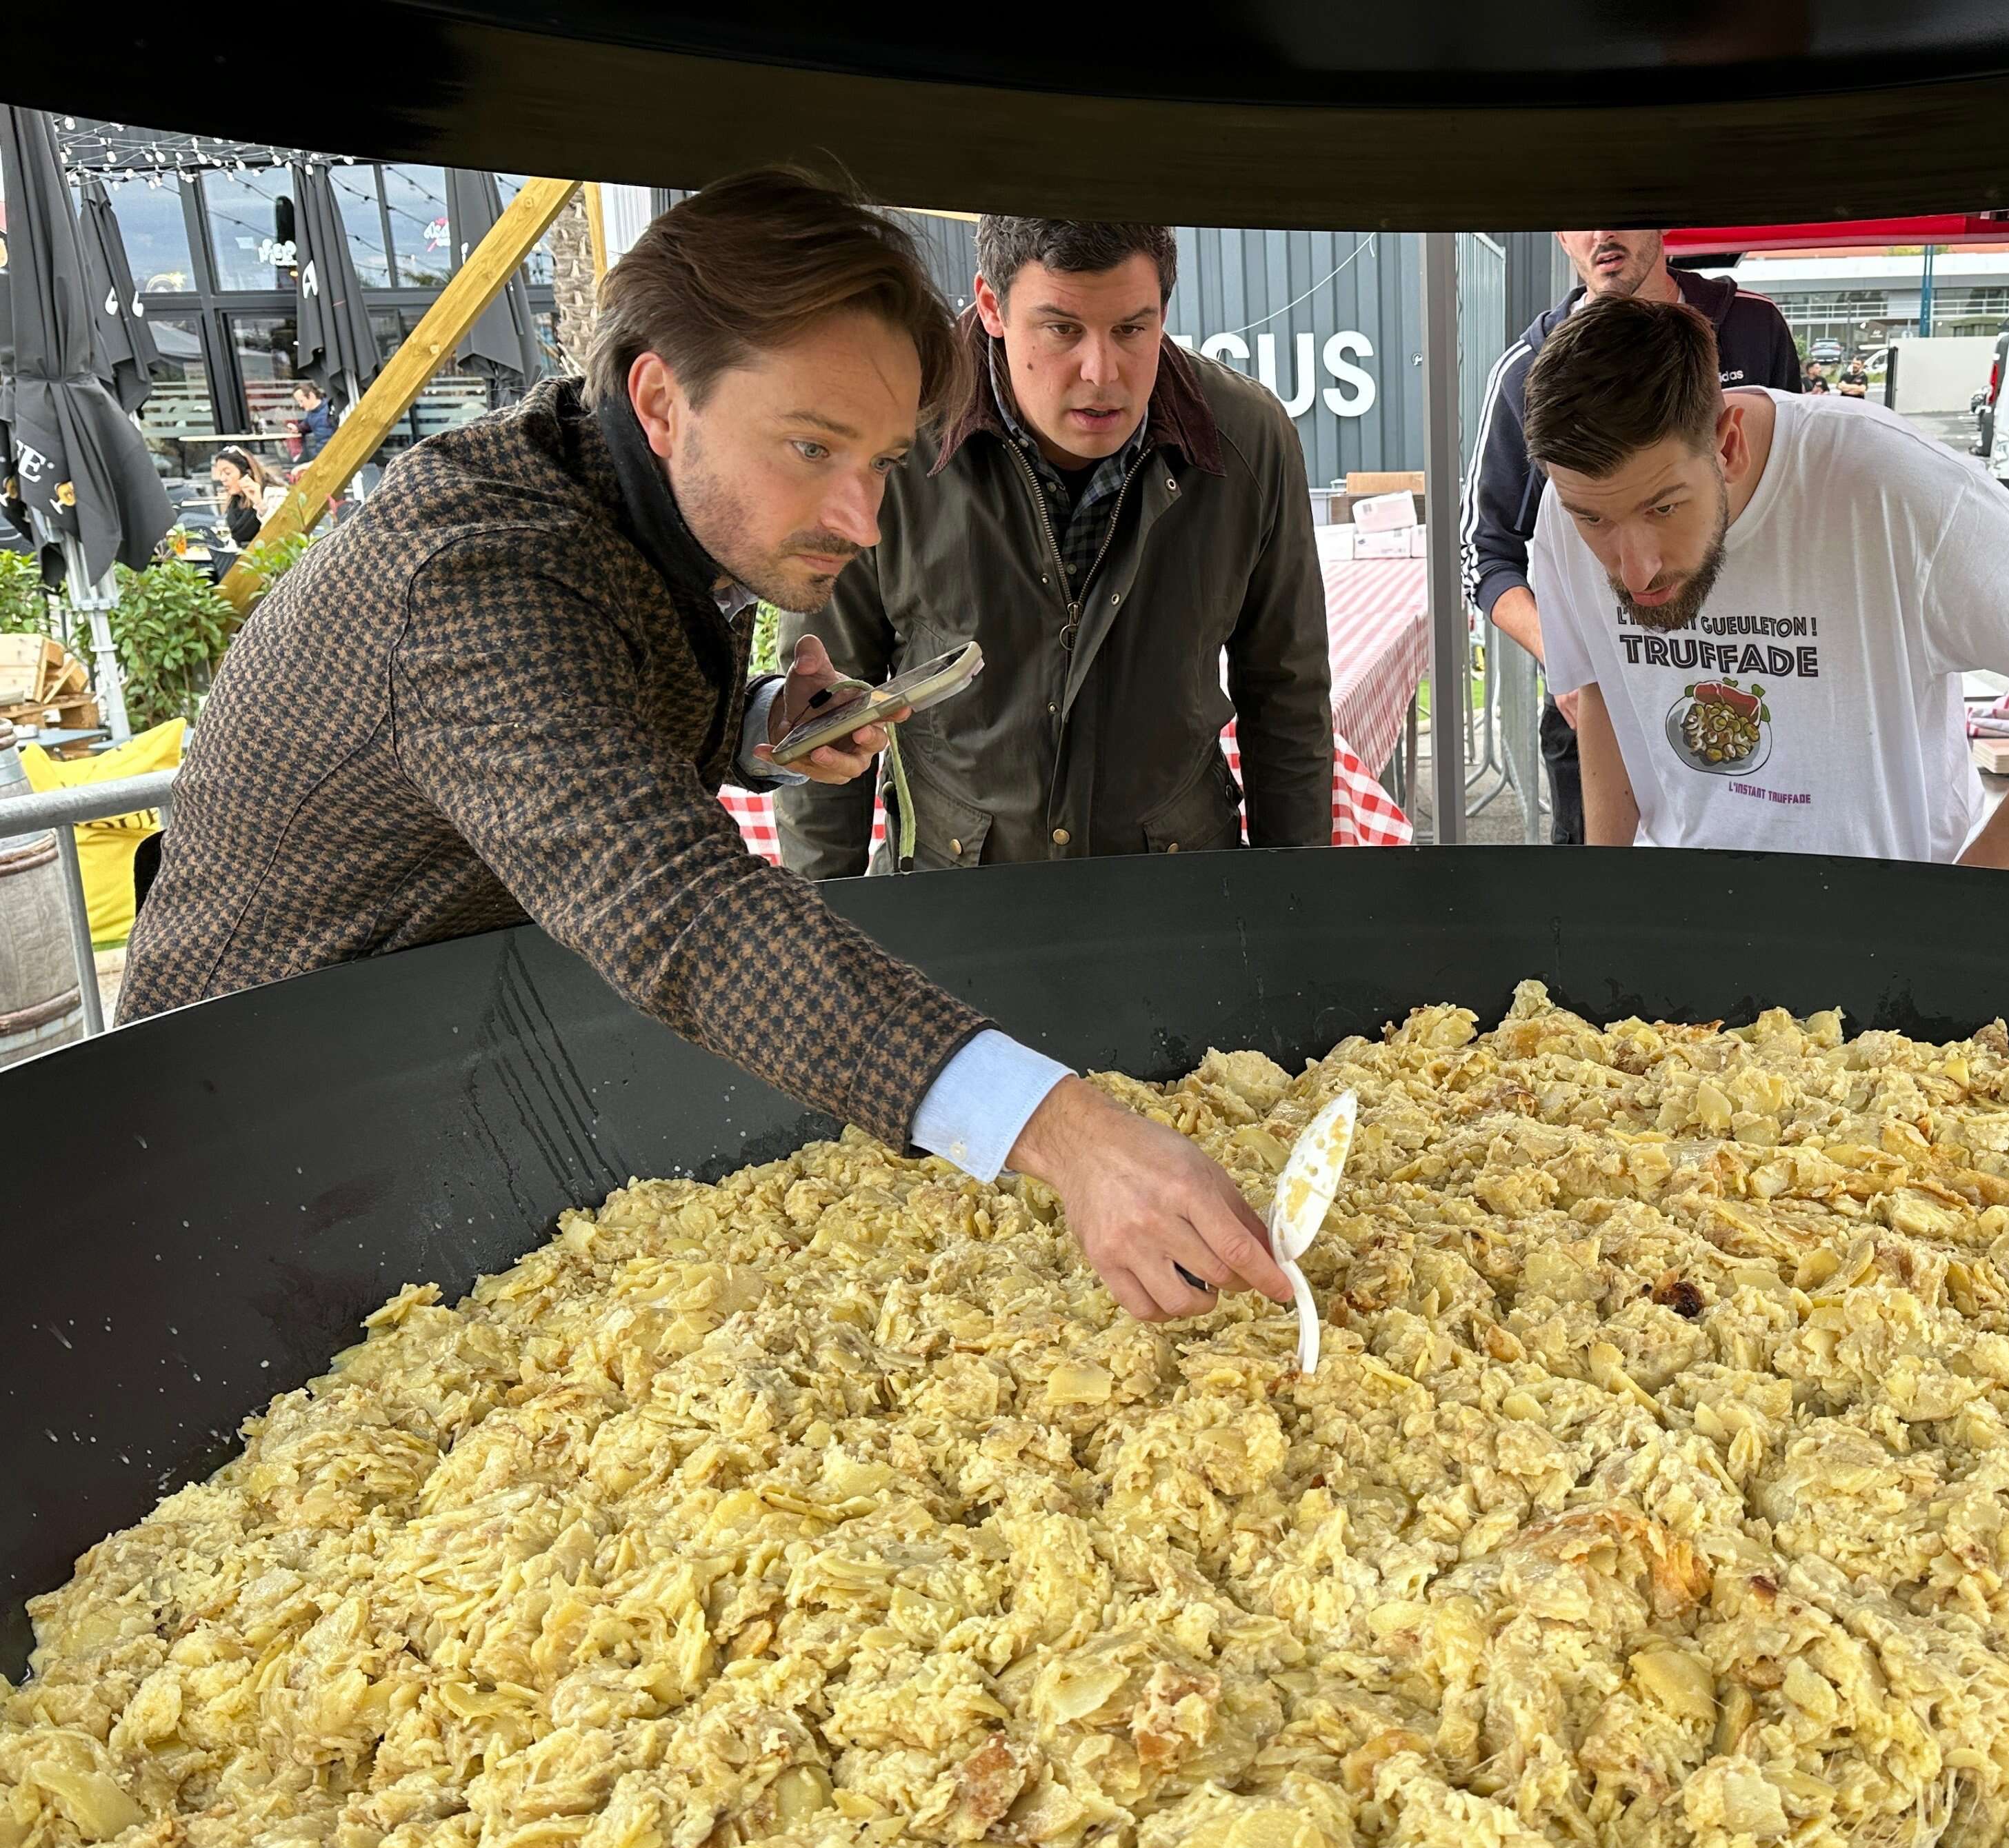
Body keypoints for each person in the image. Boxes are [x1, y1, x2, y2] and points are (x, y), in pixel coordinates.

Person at [121, 172, 1288, 1325]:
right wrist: (1067, 1134)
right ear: (663, 399)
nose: (861, 520)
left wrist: (758, 718)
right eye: (811, 447)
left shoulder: (619, 491)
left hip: (418, 1070)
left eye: (881, 461)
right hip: (247, 1136)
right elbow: (676, 906)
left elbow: (586, 693)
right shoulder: (470, 574)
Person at [1521, 294, 2009, 863]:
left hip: (1889, 907)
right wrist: (1612, 893)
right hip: (1684, 897)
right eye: (1593, 519)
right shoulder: (1566, 503)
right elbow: (1606, 690)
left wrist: (1983, 883)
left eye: (1662, 507)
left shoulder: (1891, 485)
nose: (1634, 568)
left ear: (1726, 445)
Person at [772, 217, 1331, 876]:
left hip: (1179, 889)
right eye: (1062, 329)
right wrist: (823, 931)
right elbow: (823, 707)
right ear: (991, 307)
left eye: (1132, 328)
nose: (1102, 373)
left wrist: (1296, 909)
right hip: (954, 891)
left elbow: (1286, 696)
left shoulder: (1250, 440)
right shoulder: (884, 433)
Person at [1463, 231, 1801, 844]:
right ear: (1560, 235)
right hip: (1600, 707)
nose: (1602, 234)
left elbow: (1794, 494)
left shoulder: (1752, 328)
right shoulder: (1525, 370)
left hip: (1754, 683)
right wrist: (1570, 661)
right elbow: (1484, 555)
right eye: (1579, 217)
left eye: (1620, 207)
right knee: (1603, 911)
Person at [210, 446, 288, 547]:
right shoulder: (235, 502)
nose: (223, 479)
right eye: (220, 474)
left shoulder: (274, 494)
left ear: (247, 473)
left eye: (228, 473)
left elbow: (282, 532)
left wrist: (259, 503)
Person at [290, 380, 341, 466]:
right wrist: (298, 428)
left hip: (329, 459)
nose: (300, 405)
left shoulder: (329, 413)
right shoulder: (313, 412)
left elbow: (326, 443)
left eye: (301, 401)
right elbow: (308, 423)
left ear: (311, 396)